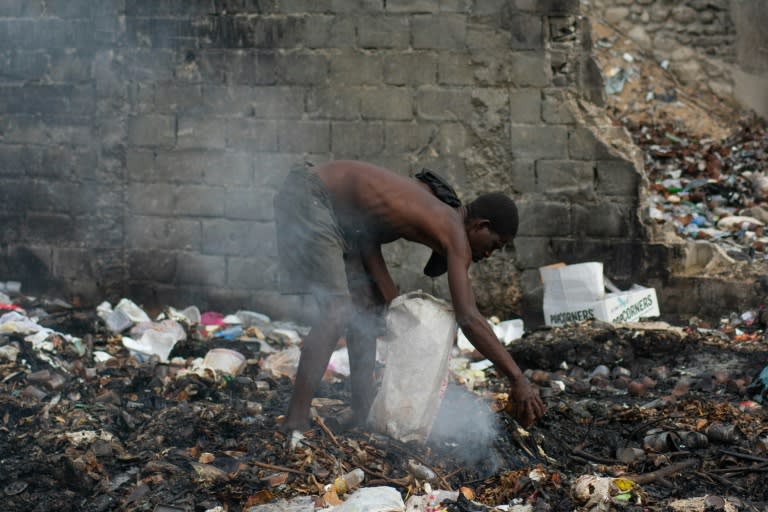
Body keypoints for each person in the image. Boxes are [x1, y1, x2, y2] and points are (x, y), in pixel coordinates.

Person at [273, 160, 546, 433]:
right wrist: (517, 379)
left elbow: (367, 239)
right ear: (480, 226)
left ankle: (361, 411)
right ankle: (295, 420)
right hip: (313, 196)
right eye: (494, 246)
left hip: (333, 210)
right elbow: (469, 317)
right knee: (337, 312)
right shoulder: (455, 234)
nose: (488, 255)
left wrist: (392, 304)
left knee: (365, 311)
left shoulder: (429, 205)